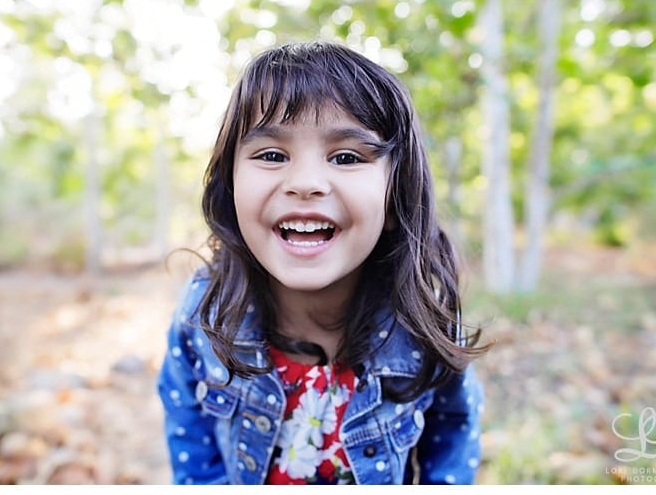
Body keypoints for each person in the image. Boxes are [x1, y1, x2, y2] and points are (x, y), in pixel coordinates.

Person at [158, 41, 490, 485]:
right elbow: (188, 425)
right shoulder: (204, 313)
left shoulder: (424, 329)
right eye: (273, 155)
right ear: (230, 186)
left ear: (395, 198)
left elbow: (453, 433)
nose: (307, 183)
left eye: (347, 157)